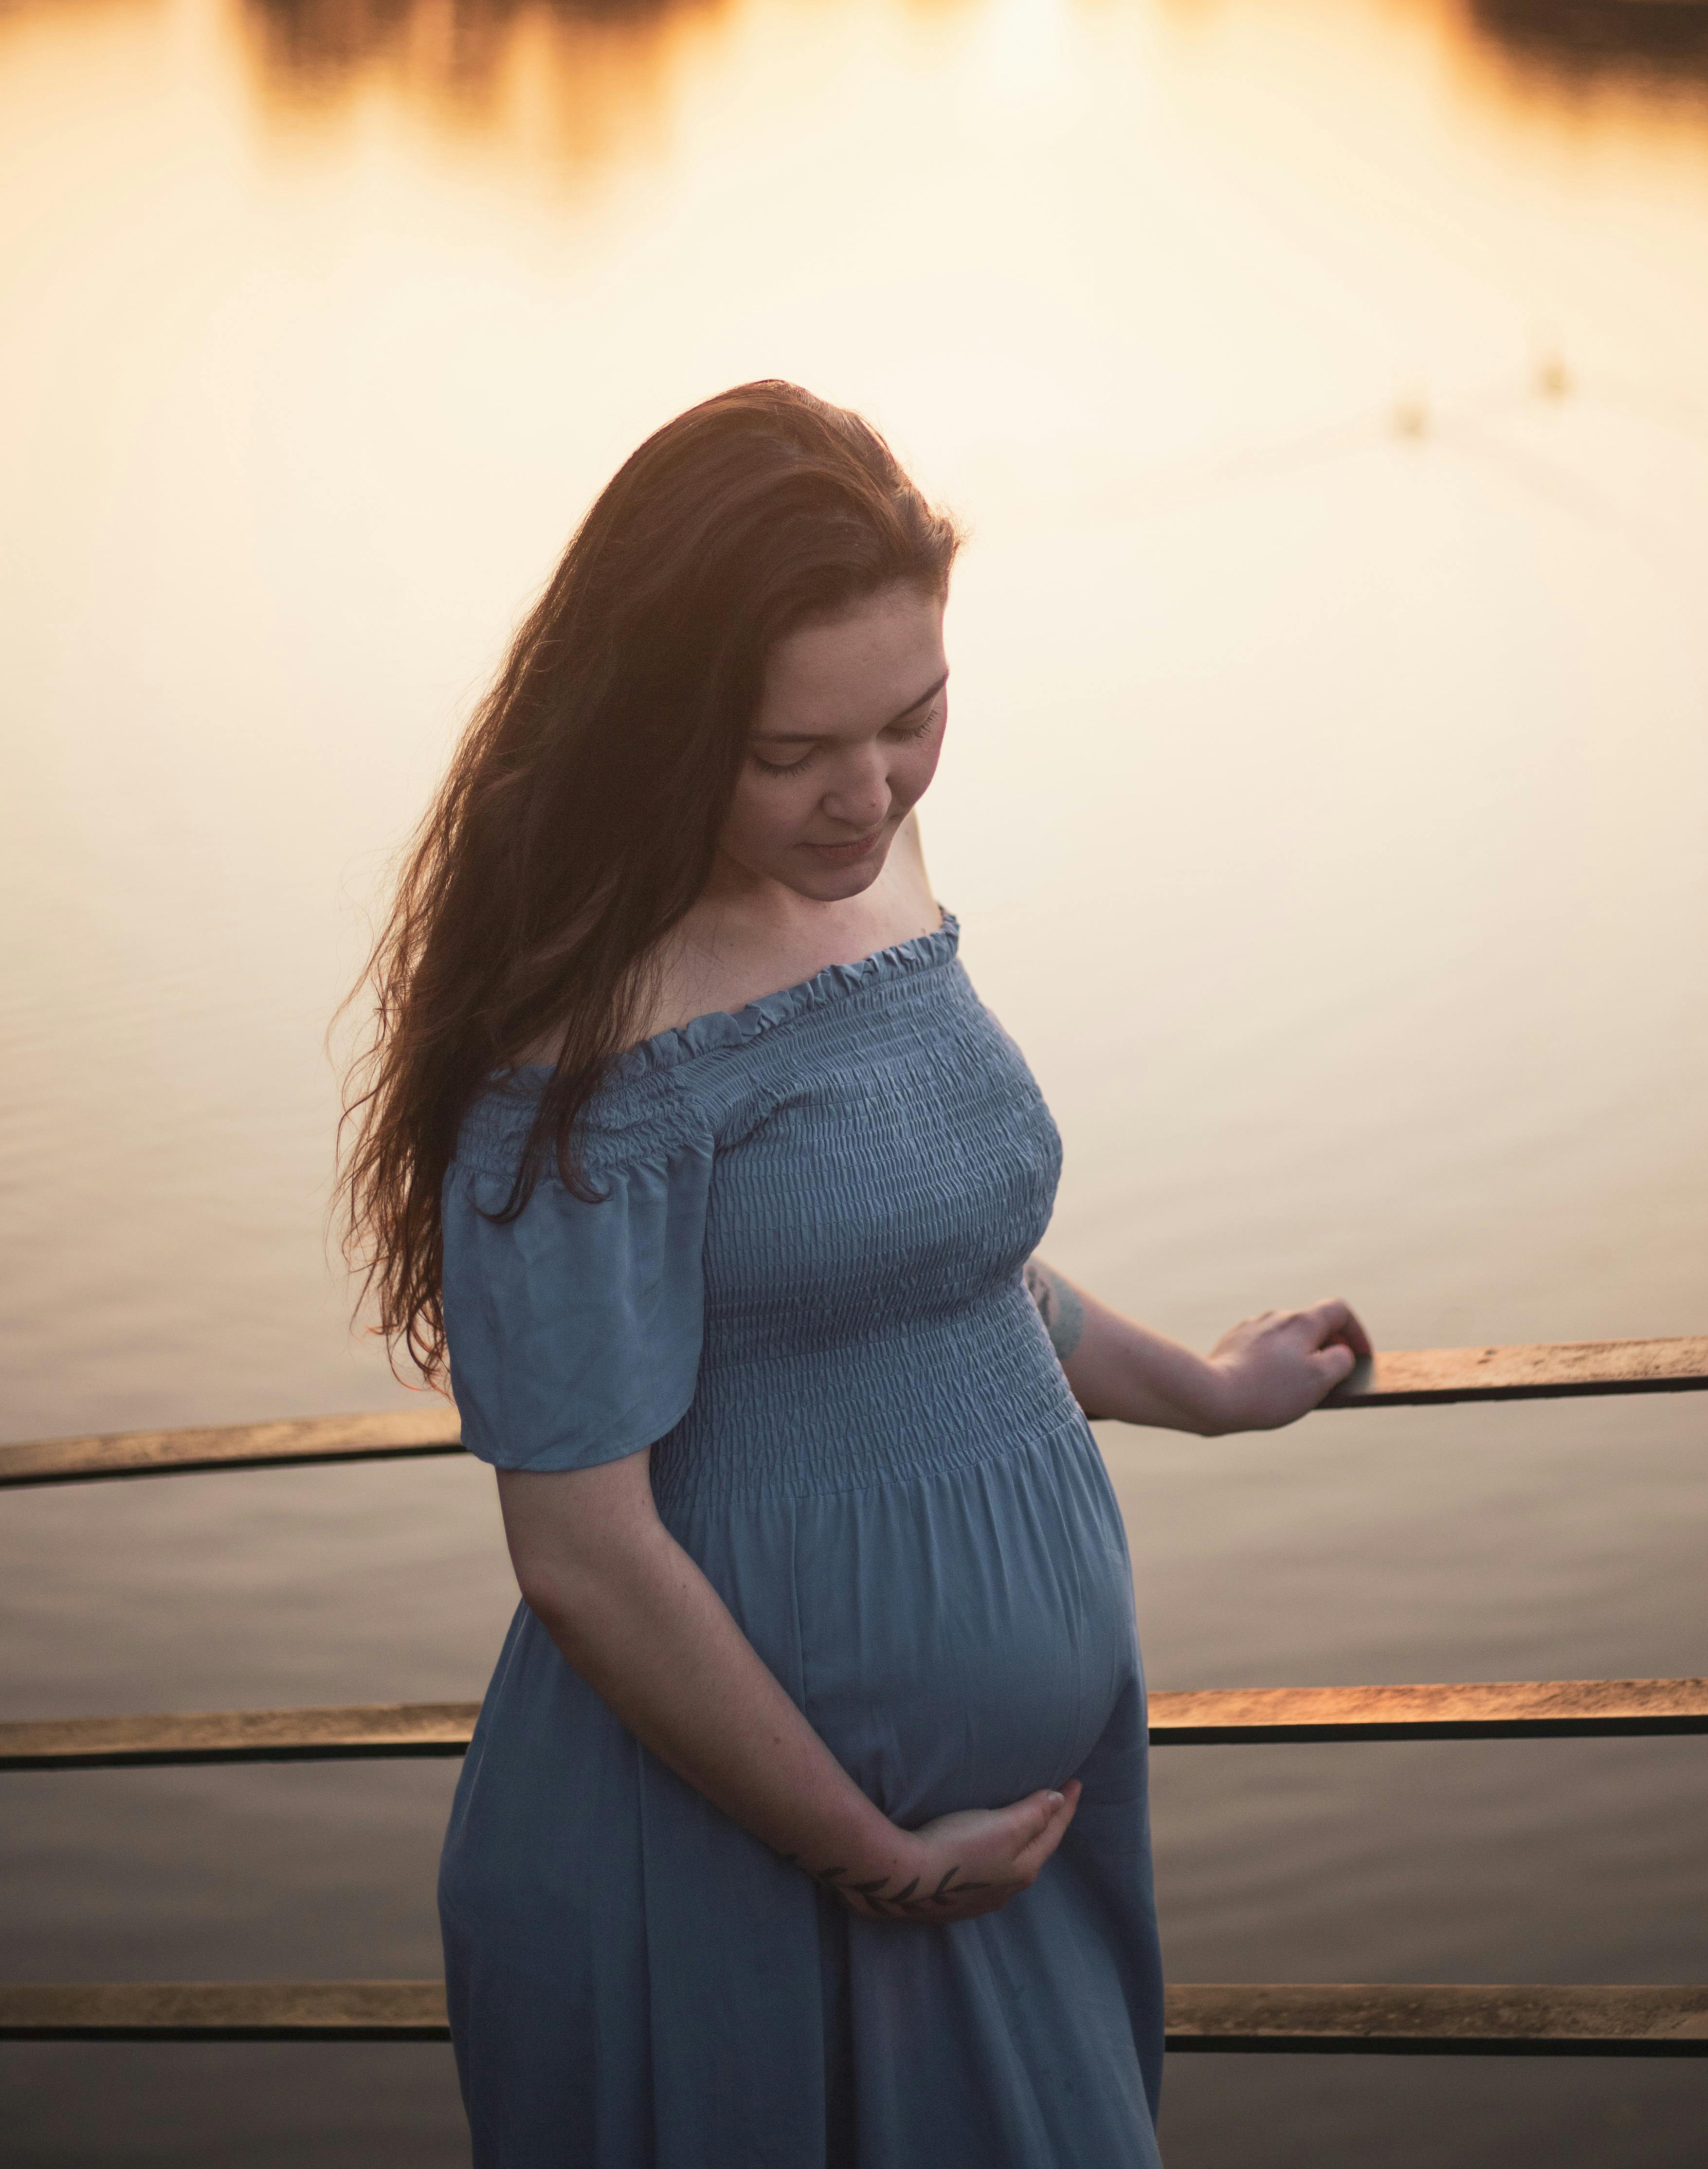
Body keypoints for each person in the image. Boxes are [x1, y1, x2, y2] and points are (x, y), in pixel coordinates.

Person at [342, 381, 1370, 2169]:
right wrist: (869, 1858)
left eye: (915, 719)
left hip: (995, 1852)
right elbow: (581, 1554)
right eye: (789, 751)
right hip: (743, 1867)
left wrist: (1205, 1392)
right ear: (662, 730)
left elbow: (944, 1268)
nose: (867, 790)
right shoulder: (573, 1048)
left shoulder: (879, 864)